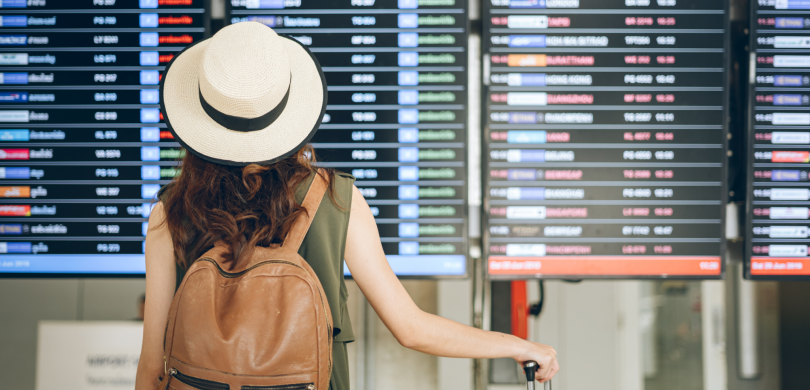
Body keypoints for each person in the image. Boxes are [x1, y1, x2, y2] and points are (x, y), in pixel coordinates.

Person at [134, 22, 558, 390]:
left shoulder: (168, 215)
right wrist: (517, 345)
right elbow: (410, 328)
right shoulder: (336, 199)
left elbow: (153, 366)